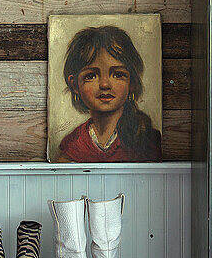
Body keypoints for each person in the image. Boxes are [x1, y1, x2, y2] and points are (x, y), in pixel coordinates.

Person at [56, 25, 162, 162]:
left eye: (118, 75)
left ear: (133, 82)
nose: (105, 84)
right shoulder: (73, 144)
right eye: (91, 76)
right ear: (74, 84)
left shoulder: (148, 141)